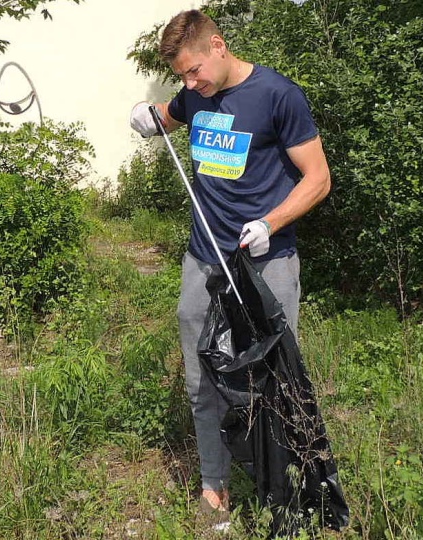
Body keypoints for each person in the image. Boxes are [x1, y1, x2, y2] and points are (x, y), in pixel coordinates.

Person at [128, 9, 332, 531]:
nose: (190, 83)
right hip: (204, 259)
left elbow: (318, 179)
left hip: (267, 261)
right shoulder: (196, 93)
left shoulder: (278, 96)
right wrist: (149, 117)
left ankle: (282, 486)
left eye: (195, 70)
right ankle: (213, 483)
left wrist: (271, 221)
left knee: (273, 378)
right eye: (182, 76)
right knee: (202, 378)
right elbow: (169, 114)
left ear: (218, 45)